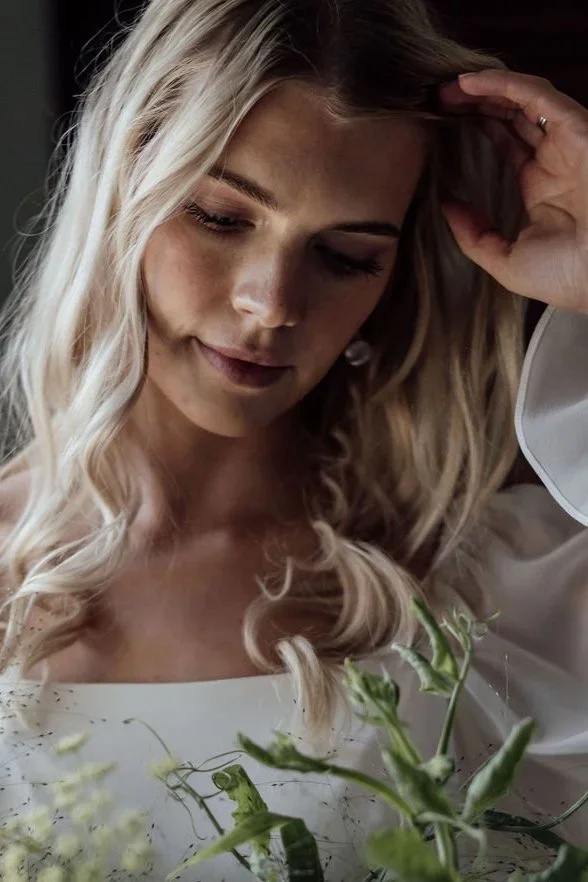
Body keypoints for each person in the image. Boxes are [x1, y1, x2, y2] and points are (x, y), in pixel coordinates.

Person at [0, 0, 587, 878]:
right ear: (120, 195)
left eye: (346, 256)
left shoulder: (488, 598)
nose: (271, 304)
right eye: (221, 219)